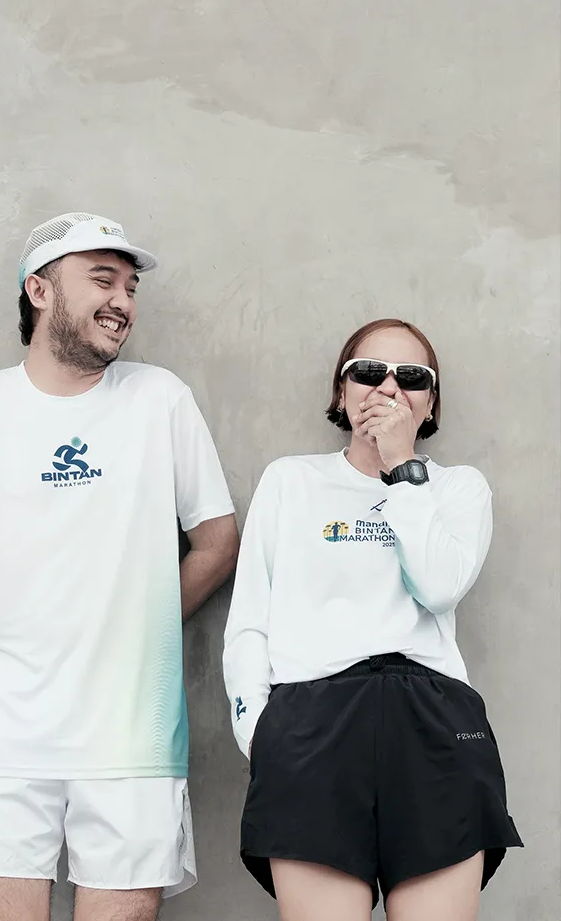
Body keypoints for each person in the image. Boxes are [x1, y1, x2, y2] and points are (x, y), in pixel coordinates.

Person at [0, 212, 239, 921]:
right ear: (40, 290)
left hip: (130, 737)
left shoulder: (160, 399)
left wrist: (137, 629)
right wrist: (1, 632)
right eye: (103, 281)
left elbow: (217, 542)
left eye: (131, 288)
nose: (123, 302)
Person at [223, 318, 522, 921]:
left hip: (433, 723)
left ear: (430, 403)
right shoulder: (291, 480)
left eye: (411, 377)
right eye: (368, 372)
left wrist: (403, 469)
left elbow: (439, 587)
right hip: (312, 725)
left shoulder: (458, 490)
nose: (388, 387)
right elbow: (250, 621)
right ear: (342, 392)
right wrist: (261, 735)